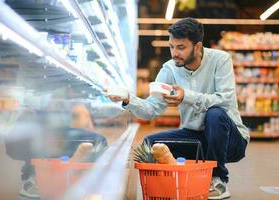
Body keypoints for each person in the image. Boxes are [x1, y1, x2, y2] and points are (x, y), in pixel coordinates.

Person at [107, 18, 249, 200]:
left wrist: (186, 96)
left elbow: (224, 100)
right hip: (197, 139)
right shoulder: (169, 69)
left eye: (181, 47)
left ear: (197, 47)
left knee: (215, 114)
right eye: (171, 47)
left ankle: (217, 180)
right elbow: (151, 109)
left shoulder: (220, 60)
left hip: (231, 140)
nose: (174, 53)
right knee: (152, 143)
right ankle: (166, 183)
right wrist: (128, 99)